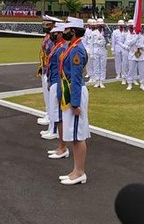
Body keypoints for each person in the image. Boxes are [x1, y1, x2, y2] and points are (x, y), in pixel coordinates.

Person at [58, 17, 90, 185]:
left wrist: (75, 103)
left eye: (66, 29)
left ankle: (80, 172)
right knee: (74, 133)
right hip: (71, 91)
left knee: (78, 134)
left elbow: (77, 78)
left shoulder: (76, 49)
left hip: (75, 92)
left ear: (74, 31)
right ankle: (76, 169)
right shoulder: (72, 47)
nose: (64, 32)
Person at [45, 23, 68, 158]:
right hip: (53, 81)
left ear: (60, 34)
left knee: (59, 116)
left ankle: (63, 147)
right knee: (56, 116)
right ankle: (61, 146)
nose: (53, 35)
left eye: (56, 33)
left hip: (57, 82)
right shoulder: (57, 46)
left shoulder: (61, 48)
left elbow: (61, 69)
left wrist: (59, 87)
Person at [37, 15, 62, 131]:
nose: (45, 27)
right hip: (45, 67)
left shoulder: (53, 40)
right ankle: (48, 113)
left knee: (51, 97)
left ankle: (50, 117)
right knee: (47, 96)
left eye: (47, 24)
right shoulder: (48, 37)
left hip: (50, 70)